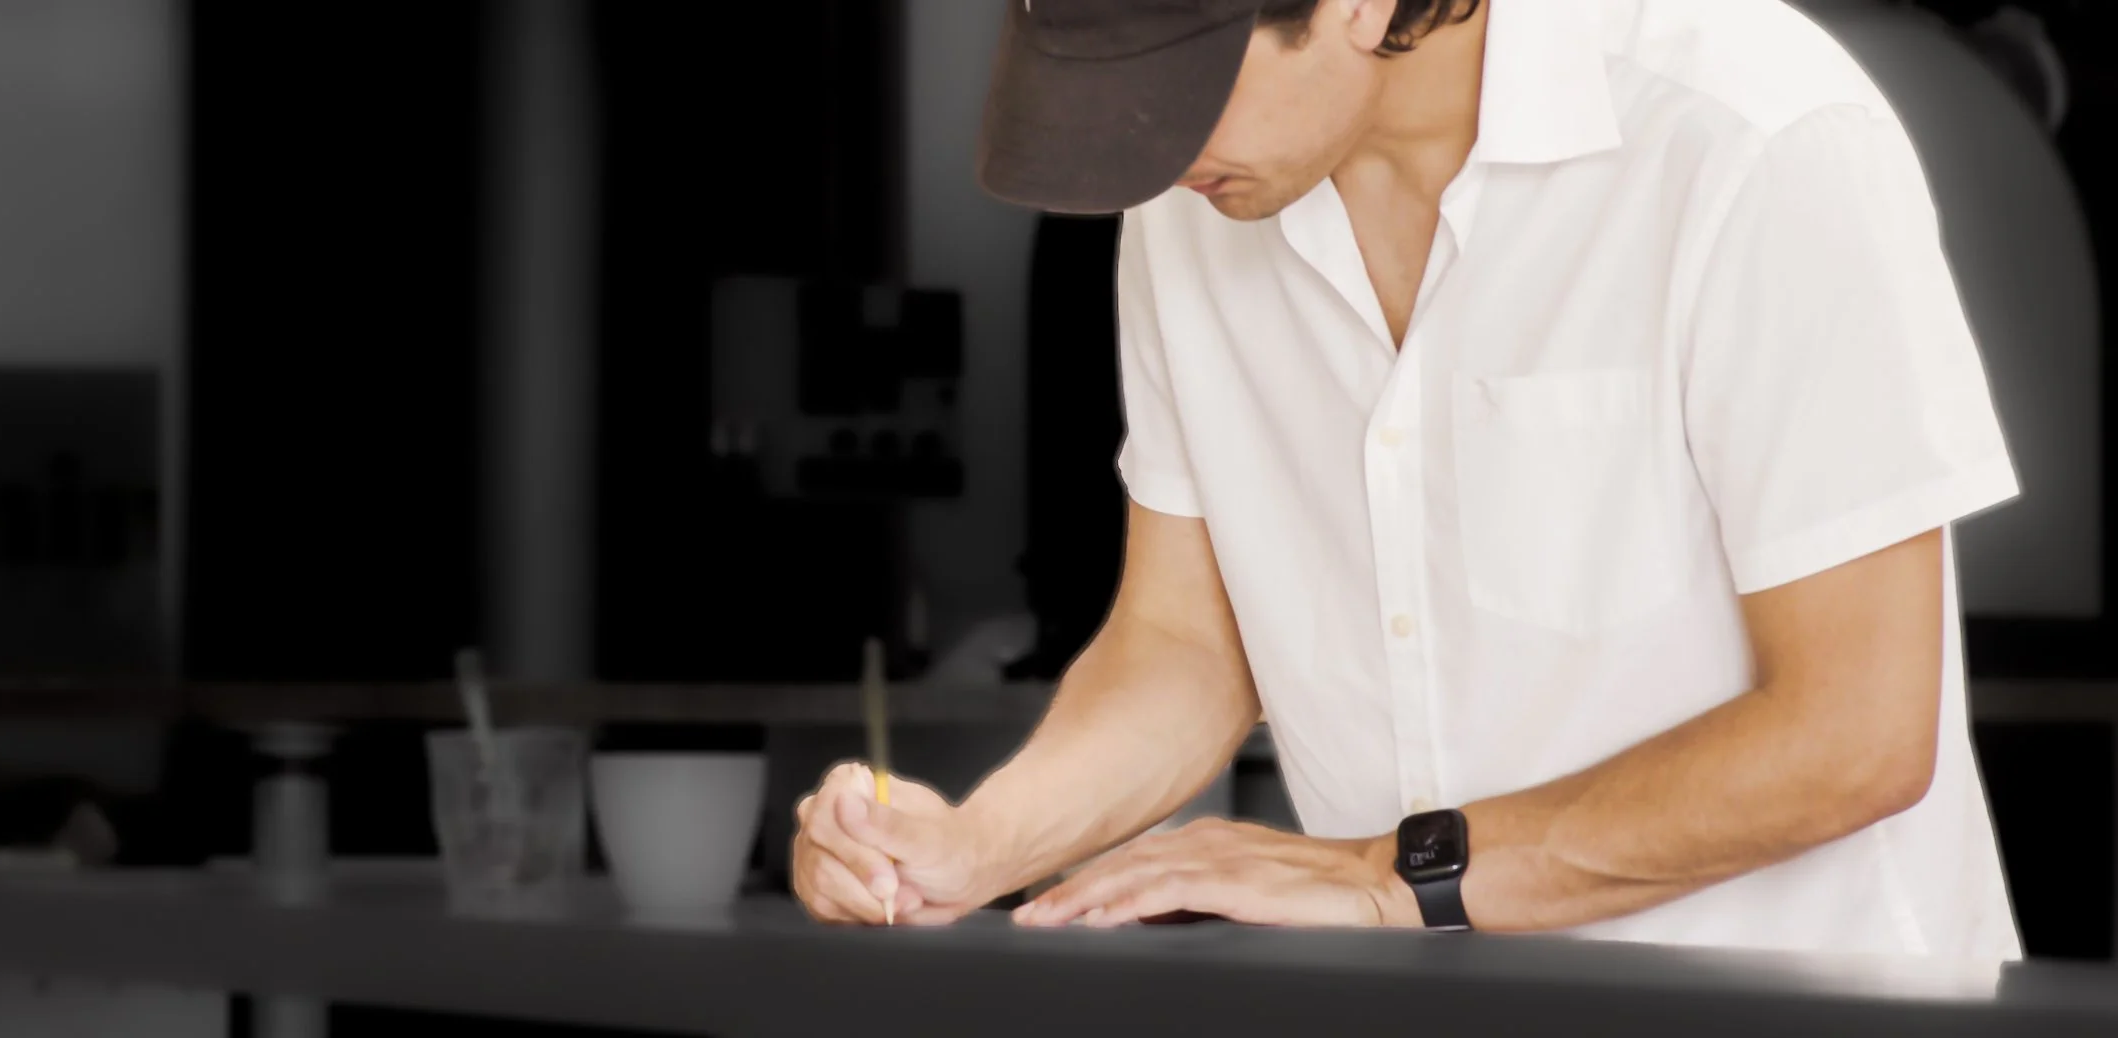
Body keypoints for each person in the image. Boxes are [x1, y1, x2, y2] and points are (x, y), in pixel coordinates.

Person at [791, 0, 2028, 960]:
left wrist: (1390, 875)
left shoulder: (1749, 138)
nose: (1150, 157)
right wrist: (968, 846)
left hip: (1794, 1010)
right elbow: (1188, 644)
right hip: (1422, 1014)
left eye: (1176, 94)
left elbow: (1852, 734)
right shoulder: (1197, 205)